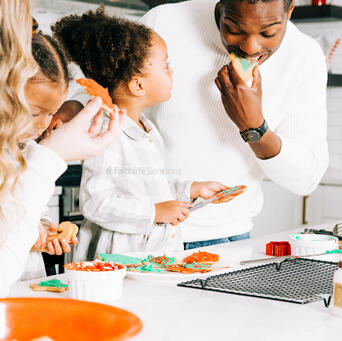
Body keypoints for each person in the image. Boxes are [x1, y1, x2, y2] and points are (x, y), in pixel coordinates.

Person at [0, 0, 122, 299]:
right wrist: (50, 158)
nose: (42, 125)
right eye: (34, 112)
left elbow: (1, 223)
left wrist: (40, 228)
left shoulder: (5, 151)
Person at [139, 0, 329, 249]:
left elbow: (305, 179)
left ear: (290, 8)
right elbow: (92, 95)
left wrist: (254, 127)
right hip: (142, 233)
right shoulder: (162, 22)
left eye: (268, 32)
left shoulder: (303, 56)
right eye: (234, 29)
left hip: (227, 239)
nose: (250, 47)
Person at [52, 8, 229, 260]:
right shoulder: (106, 131)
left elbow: (147, 188)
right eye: (165, 65)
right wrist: (154, 213)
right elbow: (96, 202)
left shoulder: (147, 130)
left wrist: (191, 189)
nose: (171, 72)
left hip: (153, 255)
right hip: (119, 260)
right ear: (138, 84)